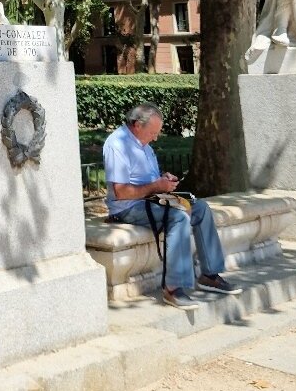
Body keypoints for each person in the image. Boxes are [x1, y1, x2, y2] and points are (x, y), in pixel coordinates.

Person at [102, 103, 240, 308]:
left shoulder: (143, 144)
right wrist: (156, 185)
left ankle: (209, 274)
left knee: (200, 208)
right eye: (153, 132)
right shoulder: (117, 145)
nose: (156, 138)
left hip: (151, 200)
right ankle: (173, 288)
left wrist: (163, 181)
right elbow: (121, 192)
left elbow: (146, 181)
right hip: (128, 208)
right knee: (178, 216)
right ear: (137, 125)